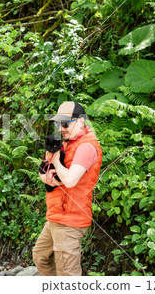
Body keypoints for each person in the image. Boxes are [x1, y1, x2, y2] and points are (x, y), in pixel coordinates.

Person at [33, 101, 103, 276]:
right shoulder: (65, 143)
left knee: (68, 274)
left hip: (70, 219)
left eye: (65, 123)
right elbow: (43, 172)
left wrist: (56, 161)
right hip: (56, 216)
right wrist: (48, 177)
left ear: (81, 121)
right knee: (41, 256)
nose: (61, 128)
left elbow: (70, 180)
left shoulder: (86, 147)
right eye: (58, 124)